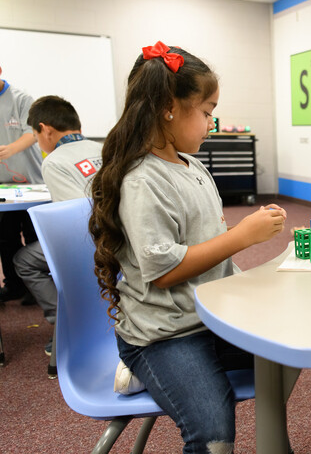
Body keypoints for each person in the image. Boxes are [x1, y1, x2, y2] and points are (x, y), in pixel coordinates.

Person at [88, 41, 287, 453]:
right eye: (207, 112)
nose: (211, 124)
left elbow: (204, 241)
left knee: (291, 346)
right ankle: (142, 367)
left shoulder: (192, 165)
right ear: (169, 107)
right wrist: (240, 236)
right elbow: (162, 272)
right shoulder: (142, 180)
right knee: (213, 426)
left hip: (212, 316)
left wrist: (242, 243)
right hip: (165, 333)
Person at [13, 96, 102, 353]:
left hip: (94, 241)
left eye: (35, 134)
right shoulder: (103, 148)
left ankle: (68, 325)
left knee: (24, 260)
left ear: (46, 129)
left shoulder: (54, 161)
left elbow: (74, 223)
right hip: (121, 235)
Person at [0, 64, 44, 303]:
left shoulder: (21, 99)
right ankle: (13, 285)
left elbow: (33, 132)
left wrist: (11, 149)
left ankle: (35, 289)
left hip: (31, 183)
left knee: (33, 236)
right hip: (3, 186)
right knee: (5, 238)